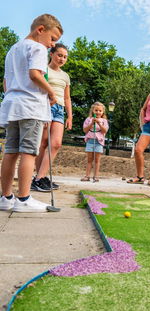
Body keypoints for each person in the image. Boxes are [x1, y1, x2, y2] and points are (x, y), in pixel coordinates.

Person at [0, 14, 63, 212]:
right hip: (31, 106)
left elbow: (5, 83)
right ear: (40, 30)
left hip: (12, 105)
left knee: (10, 151)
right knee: (28, 151)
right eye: (52, 39)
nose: (53, 45)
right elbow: (35, 74)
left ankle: (6, 197)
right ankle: (24, 199)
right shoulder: (37, 47)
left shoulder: (13, 49)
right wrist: (51, 92)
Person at [31, 43, 72, 192]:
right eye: (59, 55)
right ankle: (39, 177)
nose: (62, 59)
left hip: (59, 109)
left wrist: (70, 116)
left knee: (56, 144)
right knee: (42, 143)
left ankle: (39, 178)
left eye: (65, 57)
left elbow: (67, 98)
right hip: (46, 106)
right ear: (52, 54)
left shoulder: (65, 76)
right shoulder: (44, 70)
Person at [81, 102, 108, 182]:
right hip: (90, 141)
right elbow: (85, 130)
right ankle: (87, 176)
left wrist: (99, 123)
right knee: (89, 160)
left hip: (99, 142)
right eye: (96, 110)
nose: (98, 112)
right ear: (93, 110)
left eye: (100, 110)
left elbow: (104, 131)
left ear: (103, 112)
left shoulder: (104, 121)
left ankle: (96, 176)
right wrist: (92, 123)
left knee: (97, 160)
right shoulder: (88, 119)